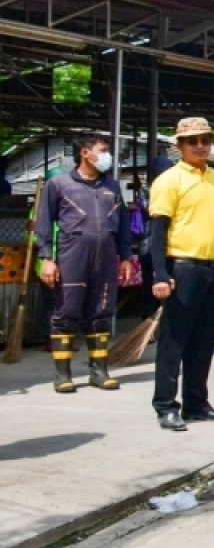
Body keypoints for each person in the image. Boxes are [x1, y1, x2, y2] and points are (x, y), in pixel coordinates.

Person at [147, 117, 214, 431]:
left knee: (204, 341)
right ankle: (166, 405)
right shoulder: (169, 181)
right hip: (183, 267)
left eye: (205, 140)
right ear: (179, 146)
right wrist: (160, 274)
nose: (200, 146)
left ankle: (196, 403)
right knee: (174, 340)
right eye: (193, 141)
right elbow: (158, 232)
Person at [36, 133, 134, 393]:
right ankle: (62, 375)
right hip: (72, 255)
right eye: (102, 150)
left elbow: (124, 224)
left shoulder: (112, 186)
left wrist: (126, 257)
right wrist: (46, 258)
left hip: (106, 255)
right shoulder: (59, 185)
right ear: (85, 153)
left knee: (101, 311)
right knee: (66, 311)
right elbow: (44, 223)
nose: (107, 156)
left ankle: (99, 372)